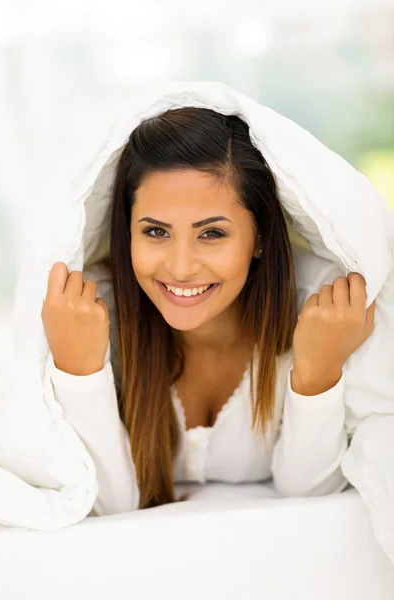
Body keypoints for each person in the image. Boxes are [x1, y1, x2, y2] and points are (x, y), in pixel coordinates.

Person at [41, 107, 376, 515]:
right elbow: (108, 505)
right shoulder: (90, 312)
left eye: (212, 233)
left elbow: (311, 496)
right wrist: (80, 374)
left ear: (260, 235)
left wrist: (318, 374)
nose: (181, 268)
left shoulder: (317, 310)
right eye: (155, 231)